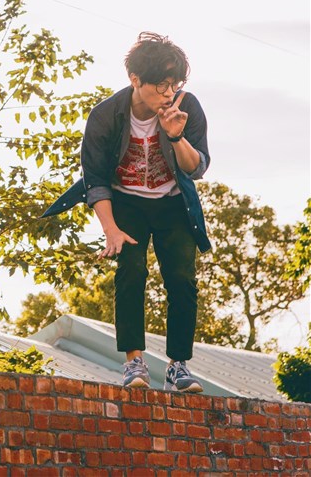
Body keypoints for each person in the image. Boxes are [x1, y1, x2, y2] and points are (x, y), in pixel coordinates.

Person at [42, 32, 211, 393]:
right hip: (127, 203)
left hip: (173, 202)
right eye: (161, 85)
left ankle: (178, 366)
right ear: (136, 79)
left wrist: (177, 136)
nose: (168, 93)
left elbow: (197, 168)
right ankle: (133, 361)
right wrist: (111, 229)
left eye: (174, 84)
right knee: (131, 271)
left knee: (182, 279)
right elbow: (96, 179)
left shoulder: (186, 107)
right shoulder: (106, 115)